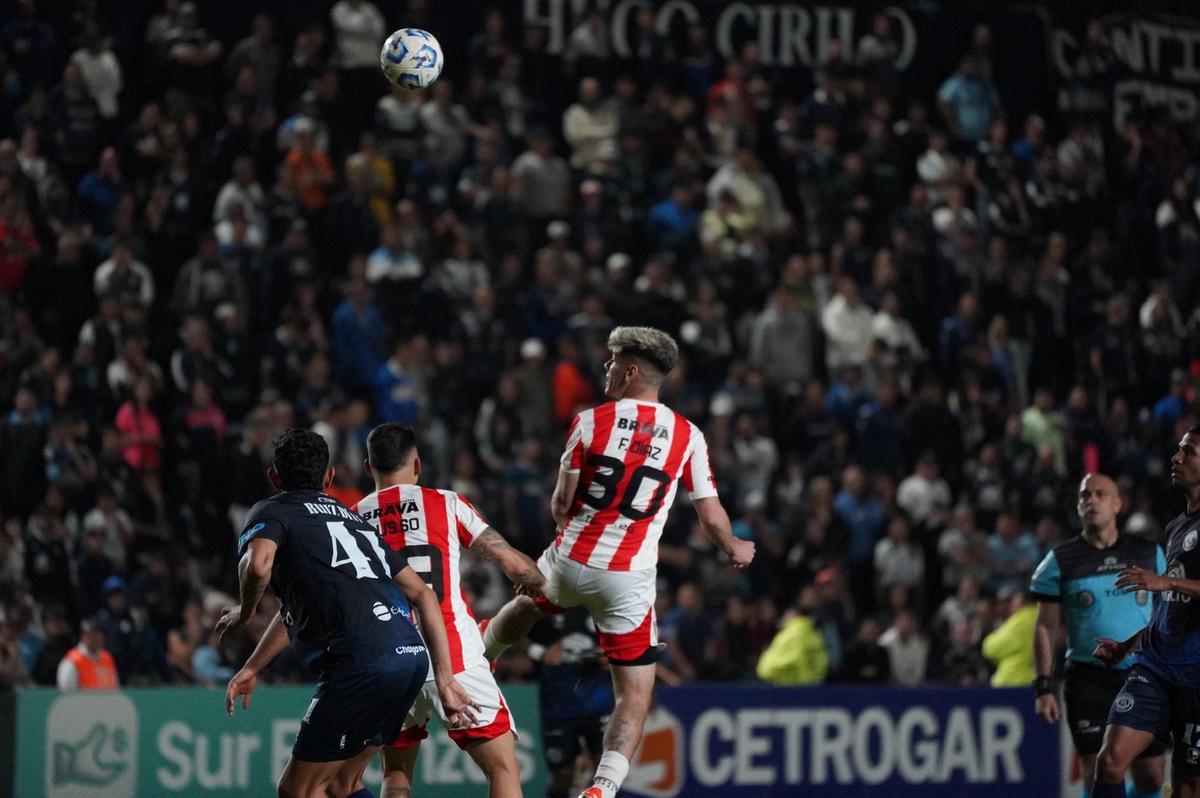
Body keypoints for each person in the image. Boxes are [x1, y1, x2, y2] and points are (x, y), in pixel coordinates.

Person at [480, 326, 755, 798]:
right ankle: (602, 789)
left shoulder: (589, 423)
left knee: (527, 604)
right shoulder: (688, 436)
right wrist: (733, 547)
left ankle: (478, 661)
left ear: (630, 371)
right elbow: (709, 513)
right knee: (634, 694)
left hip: (571, 559)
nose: (605, 368)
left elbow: (561, 506)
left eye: (611, 362)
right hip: (627, 580)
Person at [214, 429, 477, 798]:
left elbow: (258, 567)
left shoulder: (272, 511)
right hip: (410, 660)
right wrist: (445, 679)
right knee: (343, 784)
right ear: (329, 477)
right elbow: (423, 594)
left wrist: (245, 611)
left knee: (297, 791)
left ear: (275, 478)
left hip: (359, 664)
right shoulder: (352, 521)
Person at [350, 423, 546, 798]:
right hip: (454, 659)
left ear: (367, 467)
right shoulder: (446, 503)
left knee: (395, 773)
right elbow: (514, 566)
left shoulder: (353, 519)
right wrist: (541, 583)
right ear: (418, 464)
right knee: (503, 768)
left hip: (391, 662)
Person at [1030, 473, 1166, 798]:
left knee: (1151, 777)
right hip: (1088, 679)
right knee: (1097, 771)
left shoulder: (1149, 554)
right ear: (1078, 506)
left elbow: (1166, 616)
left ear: (1117, 504)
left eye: (1100, 494)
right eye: (1084, 495)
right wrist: (1044, 686)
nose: (1091, 500)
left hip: (1143, 675)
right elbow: (1045, 626)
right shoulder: (1059, 561)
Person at [1092, 426, 1200, 798]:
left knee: (1187, 785)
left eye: (1189, 453)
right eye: (1179, 450)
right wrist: (1126, 646)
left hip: (1196, 678)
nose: (1177, 458)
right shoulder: (1176, 526)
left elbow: (1169, 588)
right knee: (1109, 763)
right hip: (1153, 664)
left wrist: (1165, 582)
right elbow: (1172, 606)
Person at [530, 607, 615, 798]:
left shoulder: (601, 601)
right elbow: (512, 634)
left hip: (598, 700)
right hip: (557, 704)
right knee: (562, 775)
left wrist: (610, 655)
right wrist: (540, 653)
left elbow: (624, 639)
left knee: (606, 770)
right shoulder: (544, 600)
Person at [56, 618, 119, 690]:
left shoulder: (107, 658)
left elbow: (115, 688)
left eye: (97, 634)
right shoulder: (72, 661)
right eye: (89, 634)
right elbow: (66, 694)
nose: (94, 638)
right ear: (82, 636)